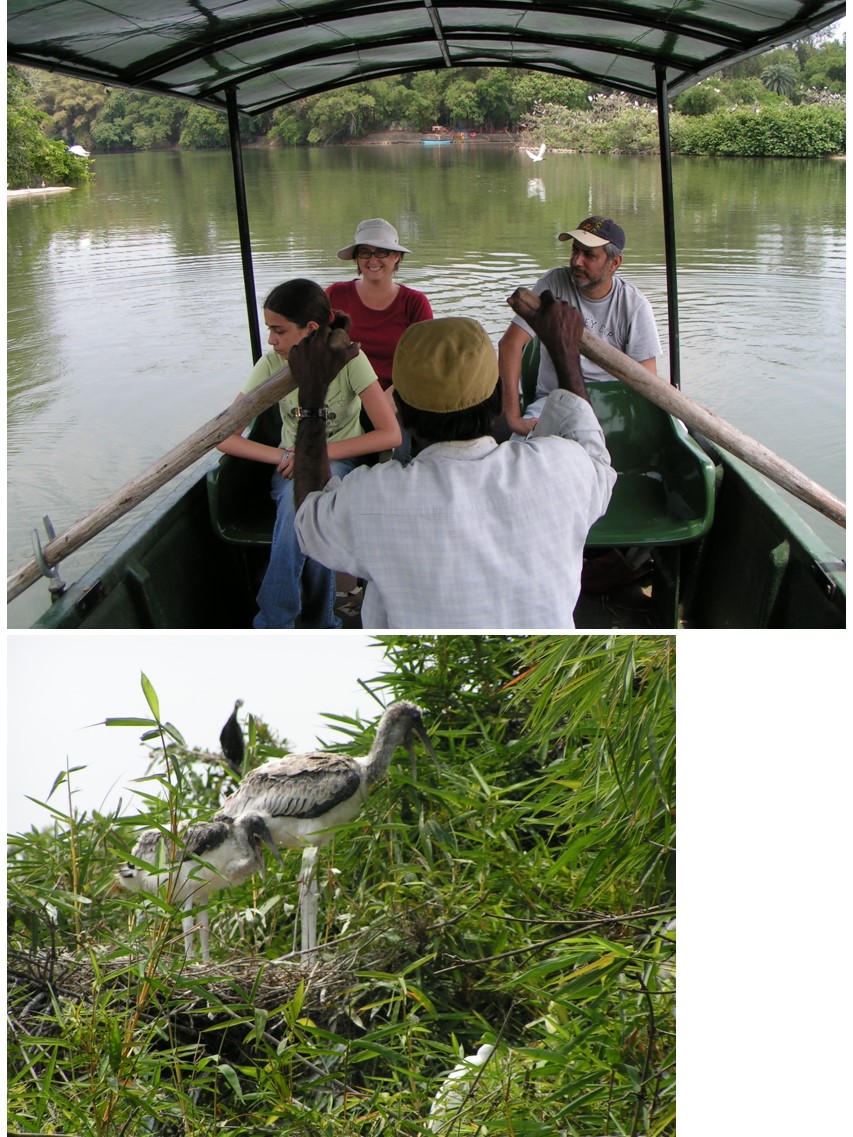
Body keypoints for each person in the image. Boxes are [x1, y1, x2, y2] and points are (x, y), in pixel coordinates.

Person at [287, 291, 616, 630]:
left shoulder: (370, 498)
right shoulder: (560, 470)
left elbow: (308, 522)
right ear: (497, 399)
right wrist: (564, 349)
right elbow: (590, 450)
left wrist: (312, 395)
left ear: (402, 410)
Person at [217, 278, 401, 629]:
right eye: (269, 330)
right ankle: (320, 622)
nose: (271, 340)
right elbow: (225, 436)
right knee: (303, 504)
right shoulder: (272, 364)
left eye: (279, 331)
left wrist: (319, 453)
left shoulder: (349, 359)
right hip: (288, 465)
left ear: (310, 328)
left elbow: (388, 432)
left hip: (340, 463)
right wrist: (286, 457)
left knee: (305, 501)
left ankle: (274, 621)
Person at [498, 216, 662, 437]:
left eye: (589, 255)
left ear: (614, 263)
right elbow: (510, 344)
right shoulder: (553, 284)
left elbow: (646, 382)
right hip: (553, 401)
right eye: (575, 251)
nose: (576, 261)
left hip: (612, 407)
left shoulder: (635, 306)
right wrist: (513, 418)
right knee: (518, 449)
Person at [328, 218, 434, 398]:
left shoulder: (415, 302)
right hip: (343, 399)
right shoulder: (335, 294)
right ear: (357, 258)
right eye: (364, 252)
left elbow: (424, 362)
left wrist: (385, 404)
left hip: (399, 398)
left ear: (397, 257)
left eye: (381, 252)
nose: (373, 260)